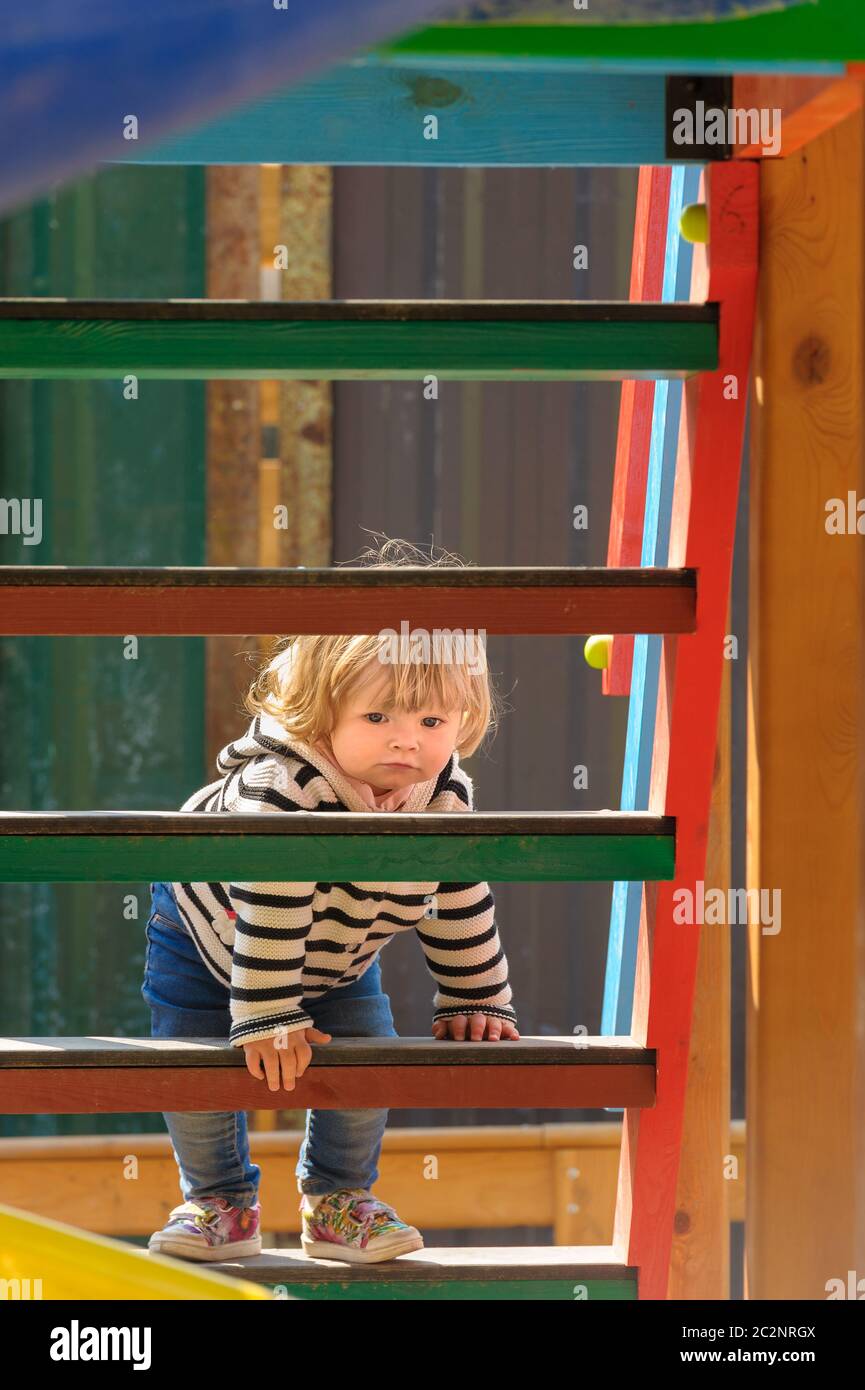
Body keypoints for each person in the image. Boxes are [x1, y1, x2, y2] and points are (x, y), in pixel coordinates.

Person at [141, 538, 520, 1265]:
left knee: (365, 1062)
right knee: (193, 1067)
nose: (407, 742)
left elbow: (460, 896)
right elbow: (275, 890)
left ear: (462, 721)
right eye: (379, 719)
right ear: (321, 713)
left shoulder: (442, 795)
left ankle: (340, 1201)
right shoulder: (283, 783)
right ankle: (219, 1200)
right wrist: (268, 1013)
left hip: (338, 950)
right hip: (209, 933)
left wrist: (476, 997)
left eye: (432, 724)